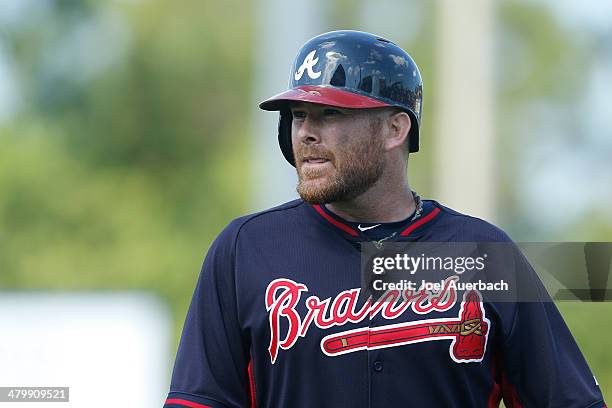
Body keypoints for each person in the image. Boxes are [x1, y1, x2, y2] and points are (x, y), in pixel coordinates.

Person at [163, 30, 605, 408]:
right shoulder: (245, 250)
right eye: (298, 115)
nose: (306, 132)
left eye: (330, 114)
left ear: (396, 129)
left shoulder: (482, 255)